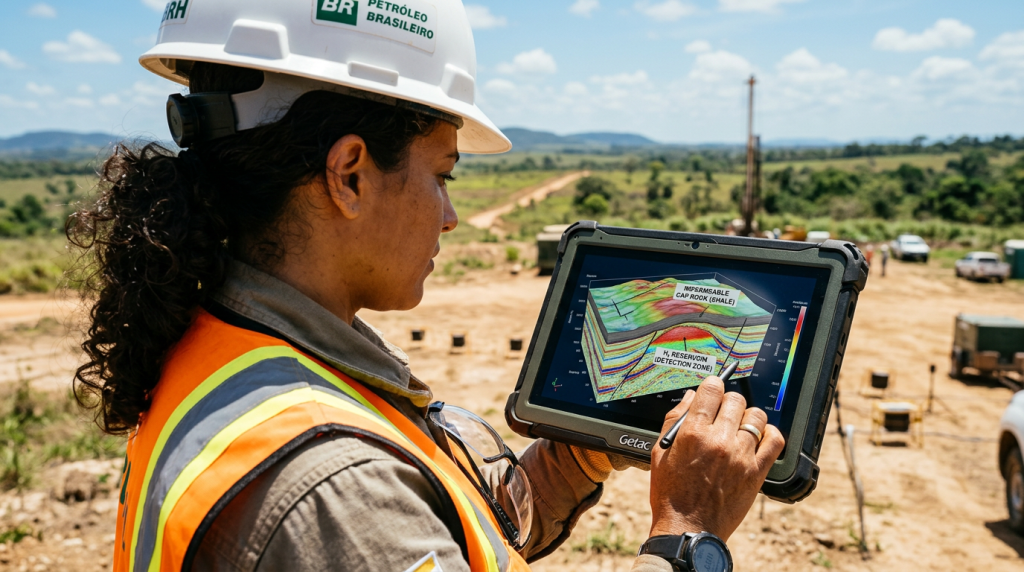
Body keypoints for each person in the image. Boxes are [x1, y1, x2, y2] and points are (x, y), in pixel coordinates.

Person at [68, 2, 784, 571]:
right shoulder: (335, 489)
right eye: (442, 175)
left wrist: (579, 453)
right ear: (349, 173)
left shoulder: (238, 351)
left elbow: (450, 528)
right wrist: (689, 533)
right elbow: (380, 524)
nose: (450, 216)